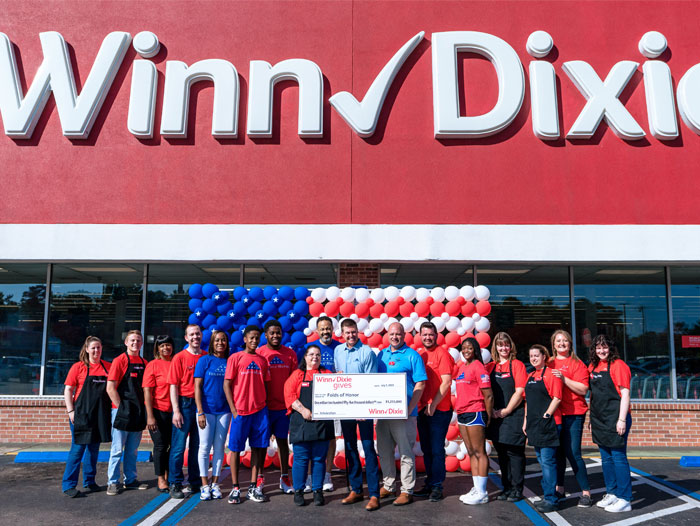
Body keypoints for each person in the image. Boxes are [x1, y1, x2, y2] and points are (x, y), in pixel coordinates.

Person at [376, 322, 427, 506]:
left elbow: (420, 384)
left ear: (404, 335)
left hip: (405, 414)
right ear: (387, 335)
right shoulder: (381, 355)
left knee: (406, 452)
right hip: (384, 413)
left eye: (398, 334)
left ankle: (406, 490)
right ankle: (389, 485)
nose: (394, 337)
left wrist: (409, 408)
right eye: (391, 334)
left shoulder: (413, 355)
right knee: (384, 451)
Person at [334, 317, 381, 511]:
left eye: (353, 332)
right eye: (347, 332)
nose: (351, 335)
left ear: (358, 332)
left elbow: (371, 382)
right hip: (346, 407)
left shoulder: (367, 352)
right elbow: (338, 377)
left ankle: (374, 494)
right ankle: (356, 489)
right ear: (342, 334)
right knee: (350, 447)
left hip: (363, 408)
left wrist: (364, 408)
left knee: (368, 448)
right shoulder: (338, 351)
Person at [223, 325, 271, 504]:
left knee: (258, 449)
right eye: (251, 337)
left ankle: (252, 486)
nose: (254, 340)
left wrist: (263, 405)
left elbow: (266, 384)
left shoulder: (262, 360)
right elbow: (226, 385)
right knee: (235, 449)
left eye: (257, 337)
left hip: (260, 412)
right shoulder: (235, 358)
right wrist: (233, 410)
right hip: (241, 412)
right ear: (244, 339)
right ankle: (235, 488)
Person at [284, 344, 335, 506]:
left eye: (318, 354)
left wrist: (341, 379)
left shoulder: (327, 374)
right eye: (311, 354)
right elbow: (289, 395)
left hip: (322, 424)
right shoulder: (297, 375)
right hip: (302, 423)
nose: (315, 357)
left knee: (319, 459)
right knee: (301, 459)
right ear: (305, 357)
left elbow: (337, 392)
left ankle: (317, 491)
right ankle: (298, 491)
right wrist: (303, 410)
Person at [62, 336, 112, 497]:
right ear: (87, 349)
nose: (96, 350)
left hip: (99, 415)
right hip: (81, 414)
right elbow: (68, 390)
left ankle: (90, 481)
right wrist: (71, 411)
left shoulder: (108, 367)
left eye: (99, 347)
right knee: (77, 449)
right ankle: (68, 485)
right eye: (93, 348)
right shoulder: (78, 367)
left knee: (93, 449)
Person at [588, 335, 633, 513]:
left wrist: (621, 420)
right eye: (598, 347)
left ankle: (625, 498)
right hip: (599, 418)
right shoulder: (592, 366)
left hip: (616, 418)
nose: (602, 351)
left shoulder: (619, 365)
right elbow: (592, 395)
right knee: (606, 459)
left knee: (618, 457)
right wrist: (591, 418)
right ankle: (612, 493)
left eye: (605, 347)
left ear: (611, 348)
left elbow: (625, 394)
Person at [549, 329, 592, 507]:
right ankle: (559, 489)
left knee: (573, 453)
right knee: (558, 453)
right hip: (556, 414)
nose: (562, 344)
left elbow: (583, 389)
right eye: (558, 341)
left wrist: (564, 378)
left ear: (570, 344)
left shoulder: (577, 363)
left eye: (565, 341)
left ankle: (586, 493)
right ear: (553, 345)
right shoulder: (549, 363)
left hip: (574, 413)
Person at [415, 321, 454, 502]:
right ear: (420, 336)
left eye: (431, 334)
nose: (428, 337)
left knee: (437, 449)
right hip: (423, 409)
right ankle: (430, 483)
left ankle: (437, 486)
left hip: (439, 410)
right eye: (424, 334)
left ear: (436, 336)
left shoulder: (442, 354)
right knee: (427, 449)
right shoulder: (420, 354)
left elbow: (446, 382)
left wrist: (433, 404)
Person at [257, 319, 298, 494]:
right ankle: (259, 478)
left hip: (283, 408)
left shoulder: (290, 354)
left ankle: (284, 477)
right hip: (263, 408)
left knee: (282, 442)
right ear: (266, 335)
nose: (275, 335)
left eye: (278, 332)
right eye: (272, 333)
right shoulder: (259, 353)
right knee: (261, 444)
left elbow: (295, 380)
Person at [106, 330, 149, 495]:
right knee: (117, 450)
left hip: (138, 412)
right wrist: (121, 408)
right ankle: (112, 482)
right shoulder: (119, 361)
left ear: (142, 343)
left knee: (132, 450)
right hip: (121, 412)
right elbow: (110, 388)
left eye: (138, 340)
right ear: (126, 342)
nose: (135, 343)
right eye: (132, 340)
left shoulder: (145, 363)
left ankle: (130, 480)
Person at [486, 332, 527, 502]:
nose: (504, 348)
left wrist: (506, 410)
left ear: (511, 346)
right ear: (495, 347)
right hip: (496, 416)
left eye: (506, 345)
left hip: (513, 414)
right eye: (500, 345)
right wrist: (492, 411)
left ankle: (517, 489)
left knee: (515, 453)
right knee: (501, 453)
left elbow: (520, 391)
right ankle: (507, 487)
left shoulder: (517, 365)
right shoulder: (490, 367)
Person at [168, 324, 207, 498]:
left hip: (201, 406)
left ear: (201, 335)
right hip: (184, 405)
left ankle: (194, 481)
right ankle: (175, 483)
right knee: (178, 447)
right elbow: (173, 386)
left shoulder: (206, 356)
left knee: (197, 447)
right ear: (186, 338)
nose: (195, 337)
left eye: (197, 334)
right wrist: (176, 410)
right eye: (191, 335)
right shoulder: (179, 358)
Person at [454, 337, 494, 506]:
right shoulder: (463, 367)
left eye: (469, 348)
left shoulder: (478, 366)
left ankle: (483, 492)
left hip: (475, 412)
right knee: (471, 452)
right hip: (462, 413)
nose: (466, 350)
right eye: (463, 348)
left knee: (479, 452)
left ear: (475, 349)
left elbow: (488, 395)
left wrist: (488, 416)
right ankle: (477, 488)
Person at [523, 344, 563, 513]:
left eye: (536, 355)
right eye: (531, 356)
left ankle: (551, 499)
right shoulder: (530, 375)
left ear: (544, 357)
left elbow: (557, 397)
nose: (533, 358)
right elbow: (527, 401)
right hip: (534, 424)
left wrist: (547, 415)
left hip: (549, 423)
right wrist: (526, 421)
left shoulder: (551, 374)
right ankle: (548, 495)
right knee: (542, 460)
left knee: (547, 462)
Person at [194, 330, 232, 501]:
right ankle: (204, 485)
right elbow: (197, 387)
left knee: (219, 448)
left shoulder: (230, 361)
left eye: (223, 340)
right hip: (206, 411)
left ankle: (215, 484)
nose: (220, 343)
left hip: (224, 411)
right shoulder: (204, 360)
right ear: (212, 343)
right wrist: (200, 411)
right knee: (204, 447)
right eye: (217, 340)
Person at [302, 316, 338, 493]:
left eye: (328, 328)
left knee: (331, 438)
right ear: (317, 331)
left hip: (332, 398)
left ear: (332, 329)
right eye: (322, 329)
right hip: (311, 398)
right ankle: (310, 476)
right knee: (311, 439)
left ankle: (327, 475)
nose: (325, 331)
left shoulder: (339, 347)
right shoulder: (311, 348)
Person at [143, 335, 174, 493]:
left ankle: (169, 475)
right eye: (162, 346)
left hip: (174, 413)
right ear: (157, 348)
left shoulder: (176, 363)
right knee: (160, 445)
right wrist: (150, 416)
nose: (165, 348)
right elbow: (147, 392)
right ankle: (161, 478)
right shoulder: (153, 365)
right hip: (157, 411)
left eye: (168, 345)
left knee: (172, 446)